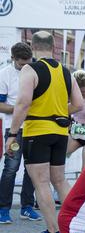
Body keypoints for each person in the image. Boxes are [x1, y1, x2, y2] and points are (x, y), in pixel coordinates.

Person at [5, 31, 83, 233]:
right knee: (59, 180)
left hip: (37, 131)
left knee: (41, 183)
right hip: (59, 132)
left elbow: (22, 103)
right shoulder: (66, 71)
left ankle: (53, 232)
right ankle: (73, 229)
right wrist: (57, 111)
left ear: (32, 46)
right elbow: (78, 104)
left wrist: (12, 134)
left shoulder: (30, 69)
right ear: (54, 48)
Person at [0, 42, 40, 223]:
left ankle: (27, 207)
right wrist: (20, 109)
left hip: (35, 127)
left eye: (28, 63)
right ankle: (3, 209)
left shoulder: (35, 71)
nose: (25, 67)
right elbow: (0, 104)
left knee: (32, 169)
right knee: (10, 168)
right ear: (13, 59)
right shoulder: (5, 74)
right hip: (14, 129)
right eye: (21, 64)